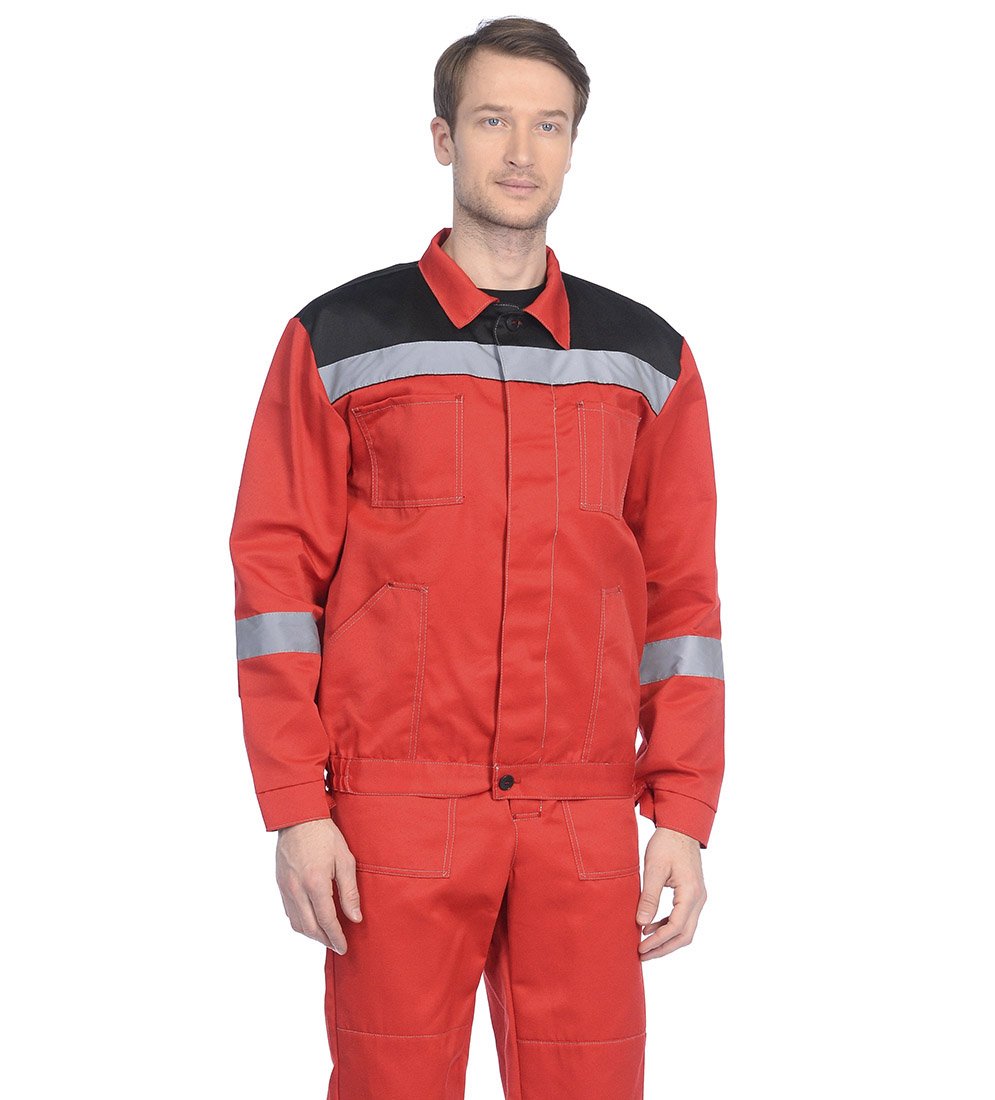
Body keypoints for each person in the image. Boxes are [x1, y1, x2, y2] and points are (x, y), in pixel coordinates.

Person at [228, 15, 725, 1100]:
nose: (521, 150)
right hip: (395, 810)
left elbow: (682, 602)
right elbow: (274, 582)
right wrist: (297, 806)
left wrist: (683, 812)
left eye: (549, 125)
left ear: (574, 144)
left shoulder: (647, 358)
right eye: (493, 119)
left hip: (582, 813)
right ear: (443, 138)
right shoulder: (340, 338)